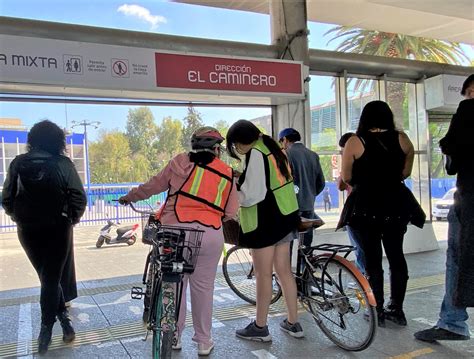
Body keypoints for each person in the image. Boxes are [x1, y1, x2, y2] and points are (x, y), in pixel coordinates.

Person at [119, 127, 238, 356]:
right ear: (216, 150)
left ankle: (173, 335)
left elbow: (152, 186)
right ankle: (204, 342)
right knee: (203, 288)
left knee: (174, 284)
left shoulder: (179, 163)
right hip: (209, 235)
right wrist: (209, 217)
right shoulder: (226, 173)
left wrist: (130, 196)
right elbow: (231, 211)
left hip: (174, 232)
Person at [2, 120, 87, 354]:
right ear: (57, 141)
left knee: (47, 277)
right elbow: (79, 197)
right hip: (57, 227)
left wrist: (18, 217)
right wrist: (71, 219)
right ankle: (46, 330)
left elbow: (6, 198)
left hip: (27, 230)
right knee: (50, 278)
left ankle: (66, 324)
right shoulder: (63, 164)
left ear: (32, 140)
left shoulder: (18, 163)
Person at [337, 101, 425, 327]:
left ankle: (377, 311)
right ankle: (397, 308)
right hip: (395, 206)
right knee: (397, 257)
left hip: (366, 206)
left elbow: (346, 177)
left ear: (364, 118)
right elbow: (405, 172)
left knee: (373, 260)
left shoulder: (355, 142)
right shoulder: (402, 139)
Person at [226, 120, 303, 341]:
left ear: (241, 142)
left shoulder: (256, 154)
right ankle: (293, 322)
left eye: (235, 146)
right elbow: (269, 182)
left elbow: (254, 194)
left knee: (263, 275)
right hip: (286, 216)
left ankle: (260, 327)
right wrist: (243, 177)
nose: (237, 151)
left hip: (266, 221)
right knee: (284, 272)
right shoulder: (273, 147)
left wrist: (232, 197)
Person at [414, 74, 474, 342]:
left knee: (458, 257)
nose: (468, 97)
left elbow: (452, 150)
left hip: (471, 201)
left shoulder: (468, 110)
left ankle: (452, 322)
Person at [278, 128, 325, 251]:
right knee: (306, 246)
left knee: (286, 246)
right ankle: (306, 269)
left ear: (285, 139)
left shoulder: (286, 154)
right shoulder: (313, 155)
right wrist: (310, 194)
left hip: (291, 208)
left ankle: (286, 270)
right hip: (309, 206)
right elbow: (321, 183)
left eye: (280, 141)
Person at [337, 132, 365, 275]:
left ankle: (362, 276)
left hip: (355, 209)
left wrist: (345, 161)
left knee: (359, 246)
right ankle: (368, 277)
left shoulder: (350, 162)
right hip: (369, 208)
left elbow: (341, 184)